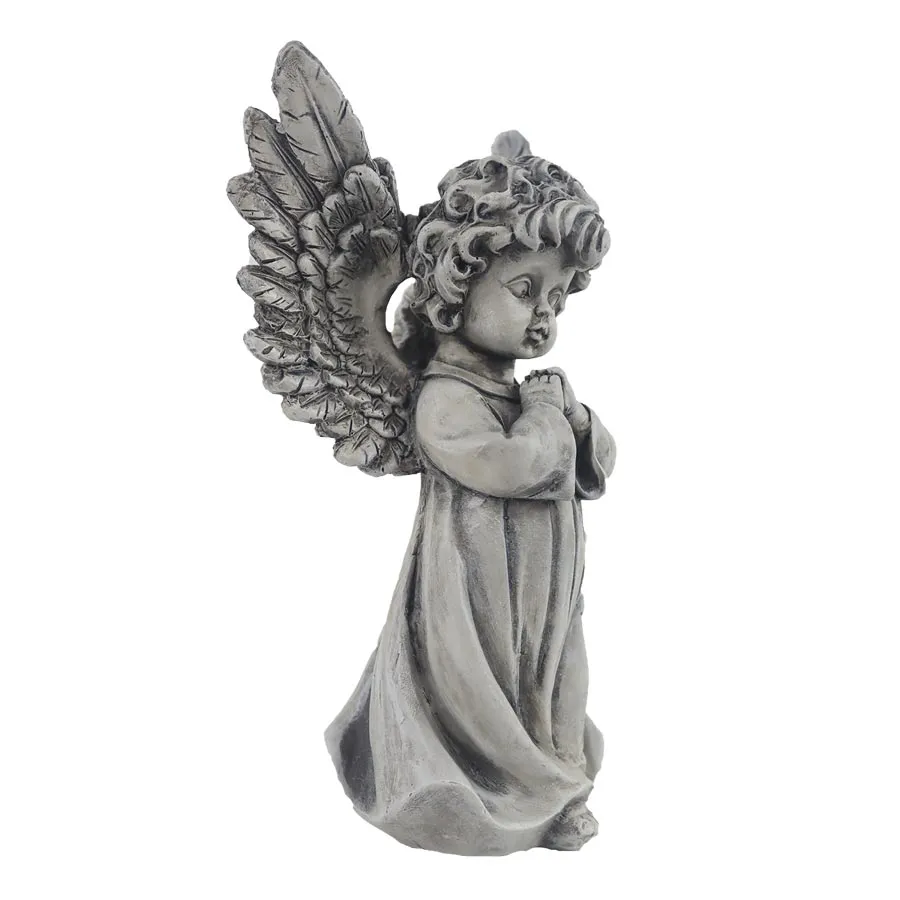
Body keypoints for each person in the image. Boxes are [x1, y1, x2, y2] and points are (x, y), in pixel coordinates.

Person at [326, 154, 616, 854]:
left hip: (545, 588)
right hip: (477, 595)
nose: (544, 315)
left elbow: (597, 461)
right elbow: (514, 466)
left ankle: (561, 784)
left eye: (558, 299)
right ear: (457, 287)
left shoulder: (523, 392)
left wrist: (577, 421)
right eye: (525, 289)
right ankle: (499, 788)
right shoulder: (444, 398)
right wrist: (546, 415)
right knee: (485, 696)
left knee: (552, 678)